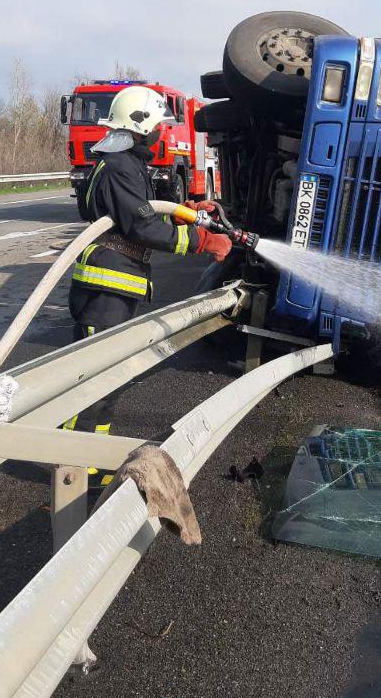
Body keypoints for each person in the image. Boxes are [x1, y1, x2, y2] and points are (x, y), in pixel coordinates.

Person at [66, 85, 232, 483]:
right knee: (93, 383)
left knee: (110, 380)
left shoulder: (125, 163)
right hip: (106, 287)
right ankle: (72, 464)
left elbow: (141, 215)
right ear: (140, 126)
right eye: (158, 125)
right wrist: (201, 241)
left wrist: (183, 212)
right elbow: (141, 227)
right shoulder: (120, 166)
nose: (162, 132)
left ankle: (93, 461)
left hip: (115, 286)